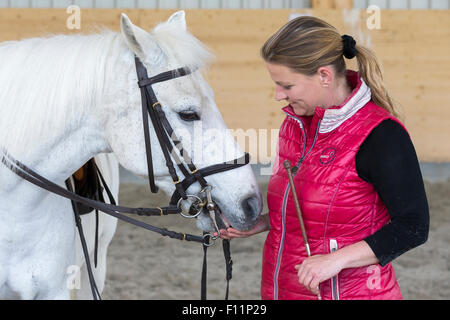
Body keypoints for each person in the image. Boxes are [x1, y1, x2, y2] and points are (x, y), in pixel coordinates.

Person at [214, 16, 429, 300]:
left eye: (287, 86)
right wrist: (266, 222)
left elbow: (413, 227)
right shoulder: (294, 125)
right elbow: (317, 211)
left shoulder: (382, 136)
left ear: (324, 76)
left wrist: (336, 260)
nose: (278, 96)